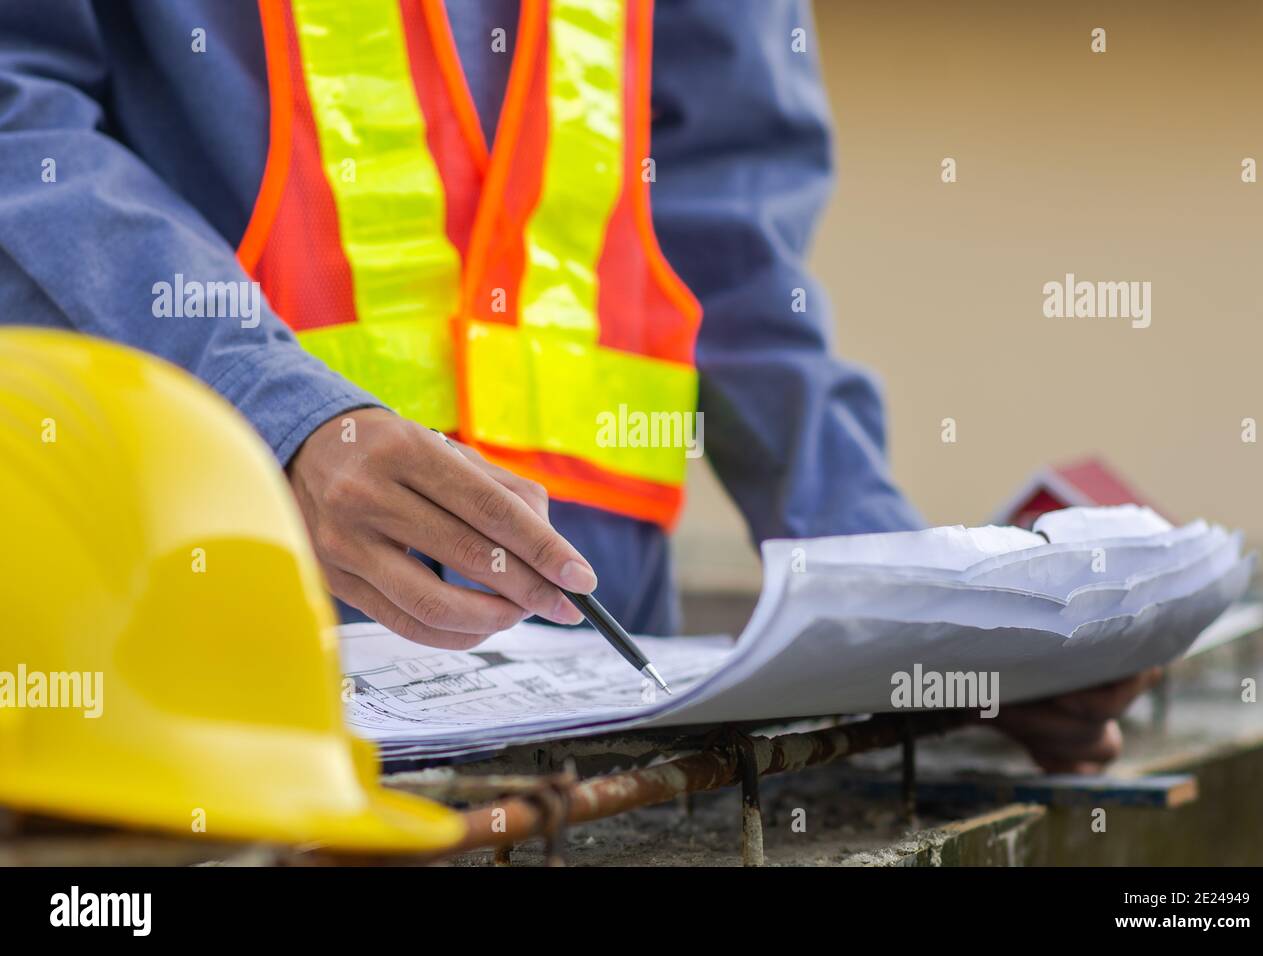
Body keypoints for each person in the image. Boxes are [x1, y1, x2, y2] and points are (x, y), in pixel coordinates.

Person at [0, 0, 1151, 771]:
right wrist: (272, 414)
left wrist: (900, 605)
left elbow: (727, 219)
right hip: (181, 695)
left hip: (599, 706)